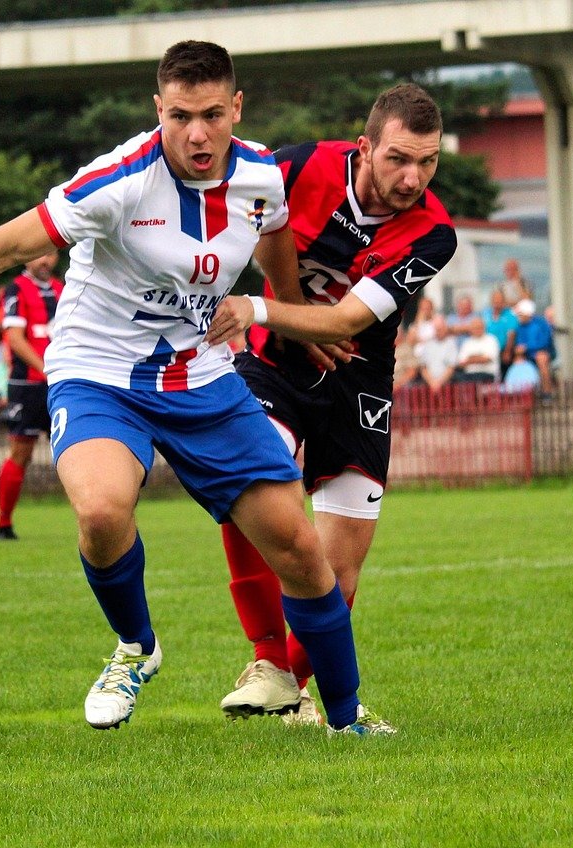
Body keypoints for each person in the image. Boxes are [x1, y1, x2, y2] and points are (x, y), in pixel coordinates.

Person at [0, 40, 373, 735]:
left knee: (297, 548)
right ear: (159, 110)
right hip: (98, 373)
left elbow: (273, 246)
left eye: (212, 114)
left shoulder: (262, 178)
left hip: (202, 376)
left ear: (236, 108)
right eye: (180, 116)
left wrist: (298, 322)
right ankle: (137, 649)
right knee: (101, 510)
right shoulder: (118, 180)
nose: (197, 133)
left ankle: (346, 720)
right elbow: (2, 247)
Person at [204, 82, 456, 729]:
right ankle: (266, 659)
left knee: (338, 574)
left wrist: (260, 308)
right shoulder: (298, 167)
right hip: (275, 361)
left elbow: (345, 317)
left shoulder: (434, 232)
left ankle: (289, 682)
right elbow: (257, 226)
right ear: (364, 145)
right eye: (399, 158)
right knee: (249, 475)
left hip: (358, 375)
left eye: (427, 162)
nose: (413, 177)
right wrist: (287, 323)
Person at [0, 249, 64, 540]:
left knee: (75, 452)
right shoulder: (16, 288)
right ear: (26, 259)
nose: (44, 260)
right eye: (37, 255)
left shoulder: (63, 289)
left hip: (61, 382)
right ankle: (4, 523)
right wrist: (46, 367)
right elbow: (14, 338)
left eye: (48, 255)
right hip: (28, 384)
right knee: (21, 452)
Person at [513, 299, 555, 395]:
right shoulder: (519, 326)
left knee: (541, 359)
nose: (519, 317)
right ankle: (522, 393)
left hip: (543, 352)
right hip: (526, 354)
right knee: (517, 361)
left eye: (521, 314)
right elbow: (519, 343)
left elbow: (544, 343)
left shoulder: (541, 324)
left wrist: (527, 347)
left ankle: (547, 391)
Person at [480, 288, 518, 375]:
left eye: (500, 300)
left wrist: (507, 351)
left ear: (504, 301)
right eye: (495, 300)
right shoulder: (485, 314)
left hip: (504, 350)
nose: (497, 302)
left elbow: (511, 334)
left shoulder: (510, 315)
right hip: (487, 350)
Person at [454, 316, 501, 384]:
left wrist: (470, 358)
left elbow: (487, 359)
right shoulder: (467, 342)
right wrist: (479, 357)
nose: (477, 330)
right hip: (469, 375)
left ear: (484, 327)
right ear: (471, 329)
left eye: (479, 327)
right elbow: (461, 363)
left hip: (488, 374)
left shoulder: (491, 340)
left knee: (477, 380)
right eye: (474, 328)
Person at [416, 315, 458, 391]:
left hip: (447, 385)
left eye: (440, 329)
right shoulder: (427, 344)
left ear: (445, 328)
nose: (439, 331)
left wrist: (439, 382)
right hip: (429, 385)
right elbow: (423, 367)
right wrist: (431, 382)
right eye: (437, 329)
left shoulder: (451, 343)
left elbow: (451, 367)